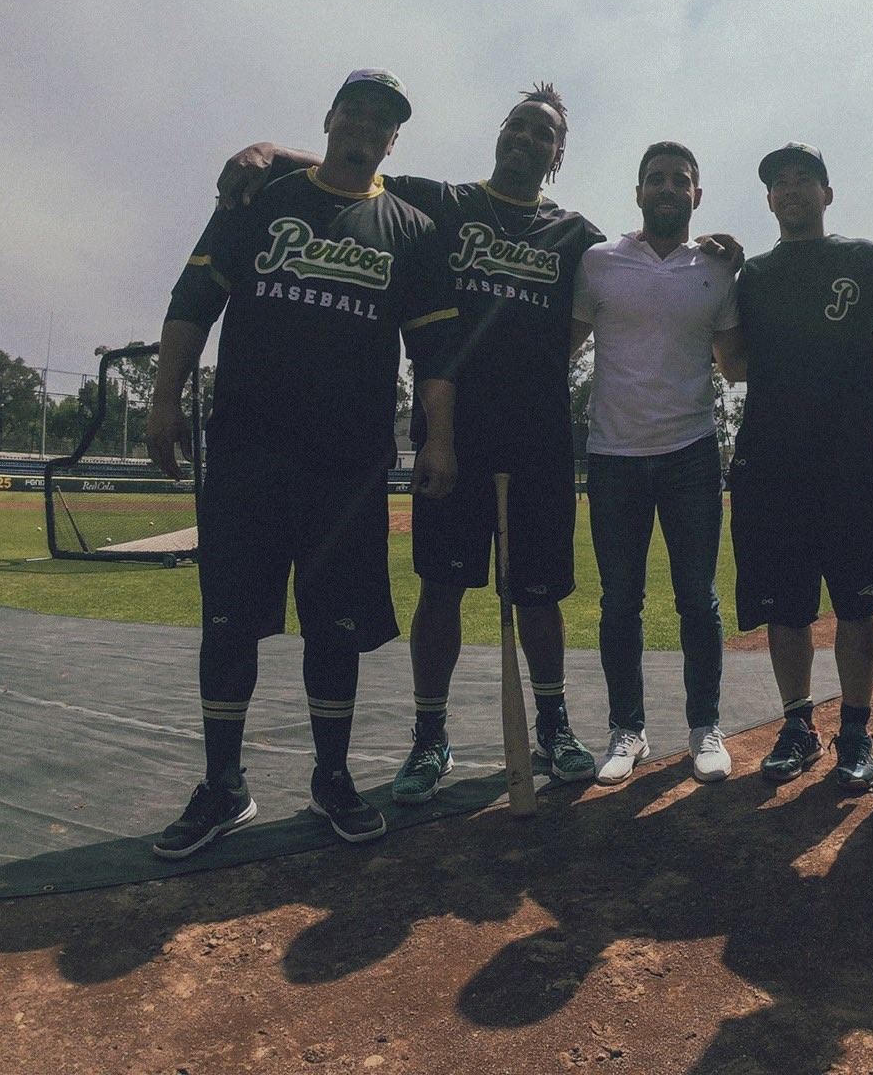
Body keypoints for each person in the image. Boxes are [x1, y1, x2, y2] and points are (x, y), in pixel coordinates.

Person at [215, 83, 606, 801]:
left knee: (539, 595)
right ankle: (430, 739)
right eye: (516, 127)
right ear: (499, 134)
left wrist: (709, 248)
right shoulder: (442, 201)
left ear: (557, 155)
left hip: (538, 440)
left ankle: (554, 724)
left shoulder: (578, 234)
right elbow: (351, 168)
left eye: (541, 135)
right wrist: (270, 153)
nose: (525, 140)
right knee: (443, 589)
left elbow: (636, 272)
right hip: (451, 437)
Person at [148, 69, 460, 856]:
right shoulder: (259, 202)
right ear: (327, 119)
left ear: (395, 139)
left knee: (334, 628)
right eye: (352, 109)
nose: (364, 124)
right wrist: (162, 399)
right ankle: (223, 787)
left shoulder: (412, 228)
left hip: (347, 465)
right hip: (249, 450)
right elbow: (192, 303)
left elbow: (435, 353)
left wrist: (441, 436)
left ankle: (332, 779)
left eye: (381, 119)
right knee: (228, 624)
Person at [729, 143, 873, 789]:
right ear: (769, 200)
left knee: (857, 608)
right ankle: (797, 726)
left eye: (804, 179)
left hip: (848, 462)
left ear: (826, 194)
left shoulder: (863, 259)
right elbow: (735, 361)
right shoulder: (754, 275)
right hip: (771, 462)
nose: (792, 188)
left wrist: (857, 374)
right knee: (786, 609)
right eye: (779, 182)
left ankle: (854, 730)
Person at [570, 142, 745, 785]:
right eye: (656, 179)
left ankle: (705, 727)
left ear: (697, 195)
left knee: (697, 599)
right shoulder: (598, 263)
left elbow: (737, 365)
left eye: (681, 180)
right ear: (637, 191)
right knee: (620, 602)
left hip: (692, 453)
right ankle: (628, 731)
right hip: (613, 455)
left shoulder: (719, 269)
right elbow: (559, 348)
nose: (668, 187)